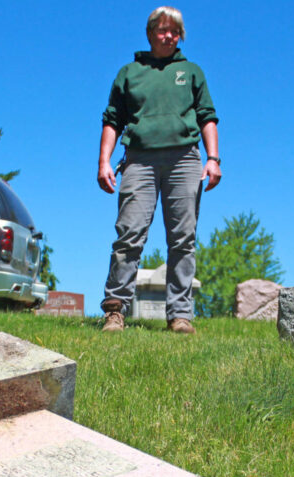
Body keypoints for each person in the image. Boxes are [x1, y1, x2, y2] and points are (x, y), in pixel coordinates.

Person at [97, 6, 221, 334]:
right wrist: (104, 162)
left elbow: (208, 116)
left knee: (183, 239)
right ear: (150, 33)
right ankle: (115, 311)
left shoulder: (192, 72)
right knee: (129, 234)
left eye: (174, 31)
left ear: (180, 35)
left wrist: (213, 159)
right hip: (139, 160)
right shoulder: (129, 73)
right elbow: (112, 120)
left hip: (185, 159)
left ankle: (180, 315)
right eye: (162, 30)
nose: (168, 36)